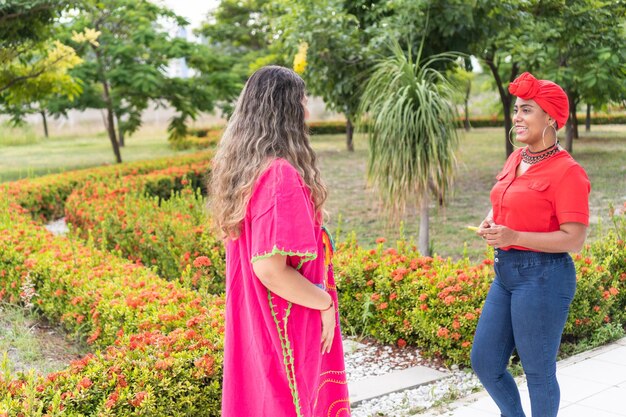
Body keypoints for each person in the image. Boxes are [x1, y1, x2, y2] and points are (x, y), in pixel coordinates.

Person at [210, 66, 350, 417]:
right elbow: (269, 270)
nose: (308, 110)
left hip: (259, 319)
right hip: (287, 324)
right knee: (294, 402)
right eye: (302, 101)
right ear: (285, 110)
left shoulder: (249, 170)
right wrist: (325, 303)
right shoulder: (278, 176)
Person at [471, 71, 590, 417]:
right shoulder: (517, 158)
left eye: (527, 110)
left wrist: (515, 237)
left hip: (544, 277)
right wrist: (491, 218)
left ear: (550, 117)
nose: (517, 117)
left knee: (538, 372)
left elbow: (575, 239)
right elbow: (505, 200)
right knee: (485, 361)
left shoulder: (568, 172)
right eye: (517, 109)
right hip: (506, 274)